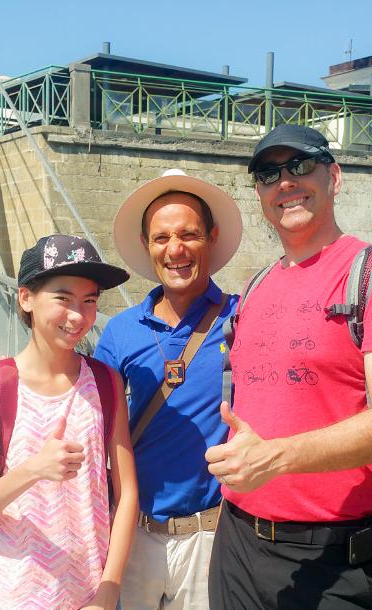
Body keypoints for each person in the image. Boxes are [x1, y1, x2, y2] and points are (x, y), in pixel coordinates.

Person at [205, 125, 372, 610]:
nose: (284, 182)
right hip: (238, 538)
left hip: (330, 553)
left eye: (300, 166)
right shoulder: (257, 285)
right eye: (268, 174)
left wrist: (274, 458)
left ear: (335, 177)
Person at [0, 234, 138, 610]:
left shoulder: (106, 382)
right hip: (14, 595)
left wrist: (109, 590)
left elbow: (127, 496)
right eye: (63, 298)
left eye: (90, 301)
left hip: (91, 595)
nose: (79, 316)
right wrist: (34, 470)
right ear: (25, 297)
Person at [95, 169, 243, 610]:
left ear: (211, 239)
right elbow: (90, 418)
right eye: (161, 238)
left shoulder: (242, 318)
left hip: (211, 535)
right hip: (134, 534)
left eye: (188, 235)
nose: (174, 249)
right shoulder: (120, 332)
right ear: (147, 246)